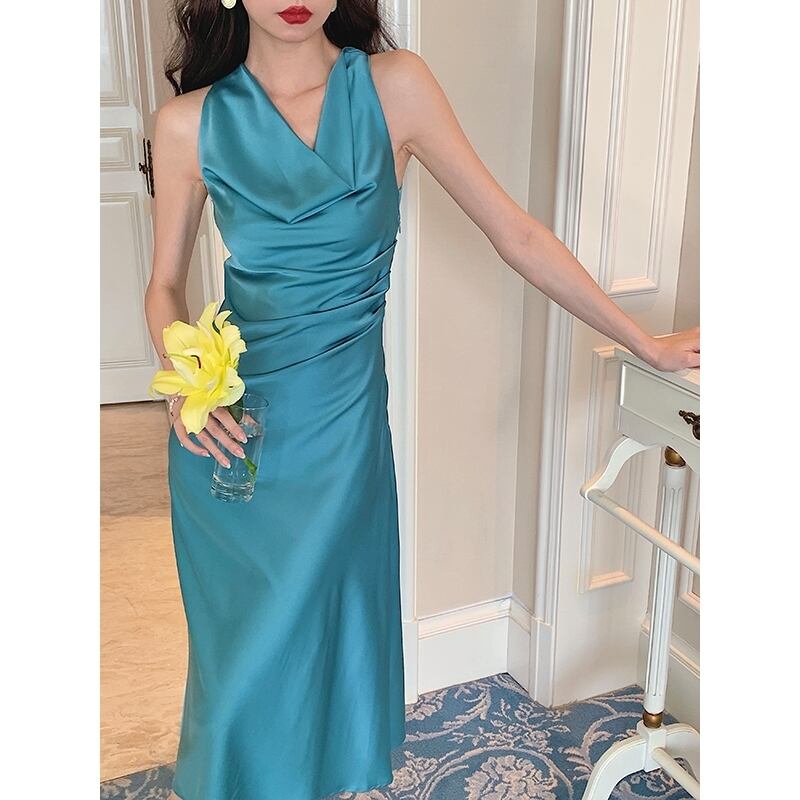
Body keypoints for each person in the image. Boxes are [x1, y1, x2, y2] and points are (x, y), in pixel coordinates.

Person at [144, 2, 700, 799]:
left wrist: (644, 343)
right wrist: (183, 389)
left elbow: (517, 234)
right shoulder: (187, 124)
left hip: (342, 440)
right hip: (236, 441)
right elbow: (163, 286)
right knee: (241, 678)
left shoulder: (393, 87)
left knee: (321, 663)